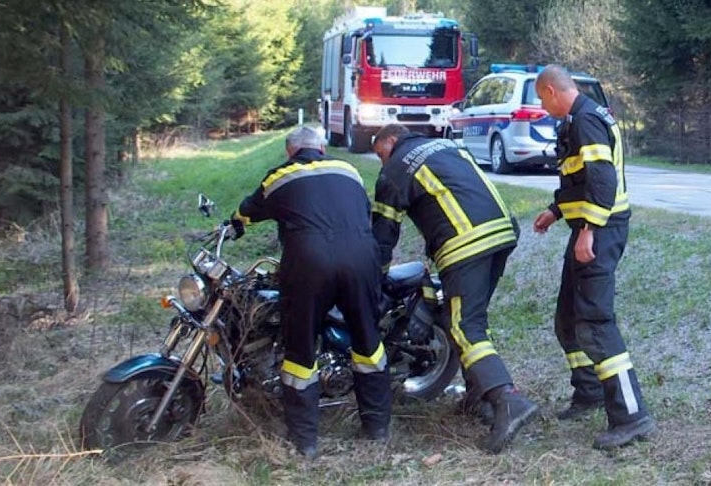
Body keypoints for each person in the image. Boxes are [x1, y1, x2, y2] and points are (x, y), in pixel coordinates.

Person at [370, 123, 537, 454]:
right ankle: (479, 397)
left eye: (379, 154)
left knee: (464, 326)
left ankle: (508, 401)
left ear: (391, 140)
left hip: (465, 243)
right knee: (463, 319)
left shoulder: (395, 168)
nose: (381, 162)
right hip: (503, 231)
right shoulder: (447, 147)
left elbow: (384, 234)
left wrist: (374, 275)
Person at [230, 126, 392, 460]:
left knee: (300, 350)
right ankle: (377, 429)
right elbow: (361, 210)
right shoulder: (348, 170)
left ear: (291, 151)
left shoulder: (281, 176)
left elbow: (247, 211)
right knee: (368, 341)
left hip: (308, 264)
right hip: (362, 258)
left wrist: (235, 223)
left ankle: (305, 441)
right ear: (321, 148)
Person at [532, 65, 657, 450]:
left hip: (600, 231)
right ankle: (588, 392)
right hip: (588, 228)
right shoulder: (579, 119)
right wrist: (556, 210)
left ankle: (631, 416)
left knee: (595, 323)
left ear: (552, 90)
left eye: (541, 98)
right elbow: (579, 178)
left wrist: (589, 230)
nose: (542, 105)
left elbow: (603, 179)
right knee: (568, 319)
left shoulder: (586, 120)